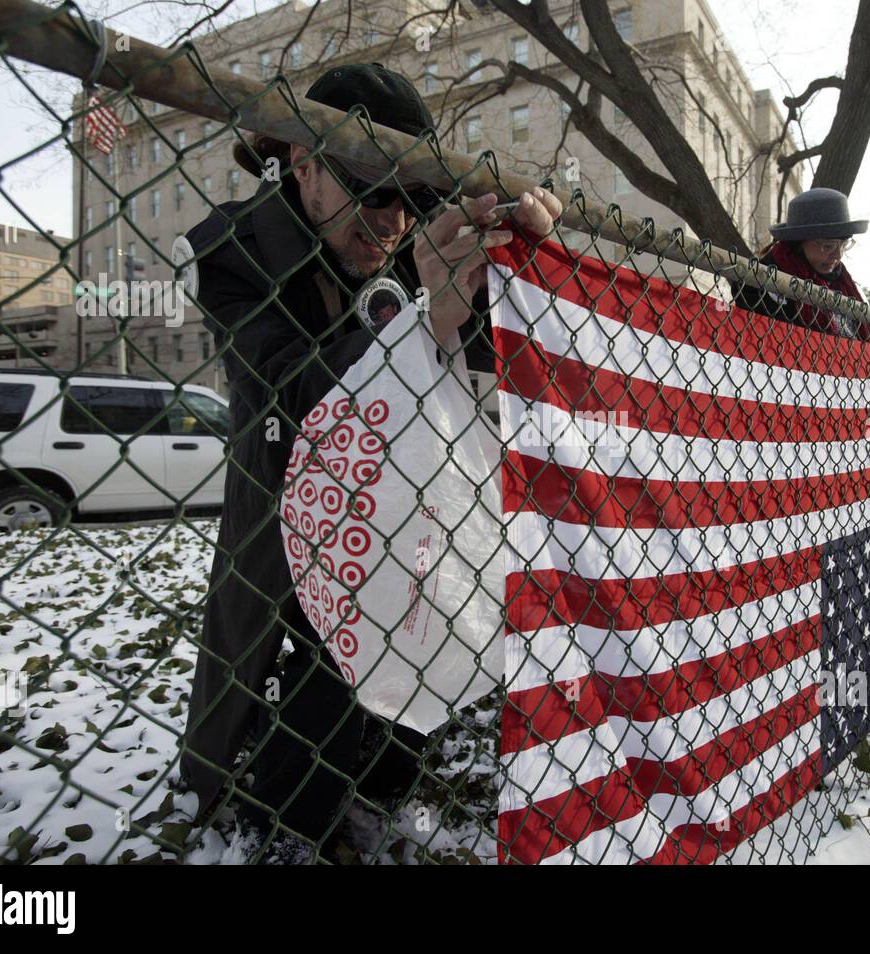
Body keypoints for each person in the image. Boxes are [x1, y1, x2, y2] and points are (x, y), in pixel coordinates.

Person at [176, 63, 561, 863]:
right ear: (303, 161)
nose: (390, 216)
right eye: (368, 185)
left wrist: (524, 270)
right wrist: (421, 320)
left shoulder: (406, 236)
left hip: (402, 497)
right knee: (310, 656)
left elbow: (494, 344)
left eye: (408, 190)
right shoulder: (233, 249)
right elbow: (278, 387)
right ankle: (283, 821)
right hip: (288, 497)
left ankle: (380, 790)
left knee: (412, 629)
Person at [731, 187, 870, 342]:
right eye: (828, 246)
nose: (838, 255)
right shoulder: (758, 284)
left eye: (844, 245)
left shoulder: (848, 288)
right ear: (799, 243)